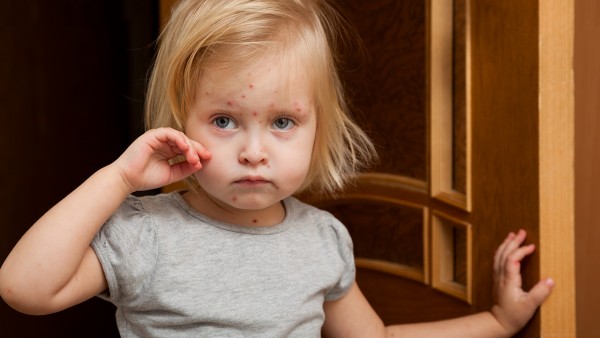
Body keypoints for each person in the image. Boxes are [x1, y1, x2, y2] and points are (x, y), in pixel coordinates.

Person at [0, 0, 554, 337]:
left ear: (320, 129)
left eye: (283, 122)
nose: (254, 151)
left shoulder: (322, 240)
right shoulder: (145, 234)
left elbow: (376, 337)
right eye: (223, 120)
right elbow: (24, 289)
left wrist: (499, 323)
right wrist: (117, 179)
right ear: (179, 126)